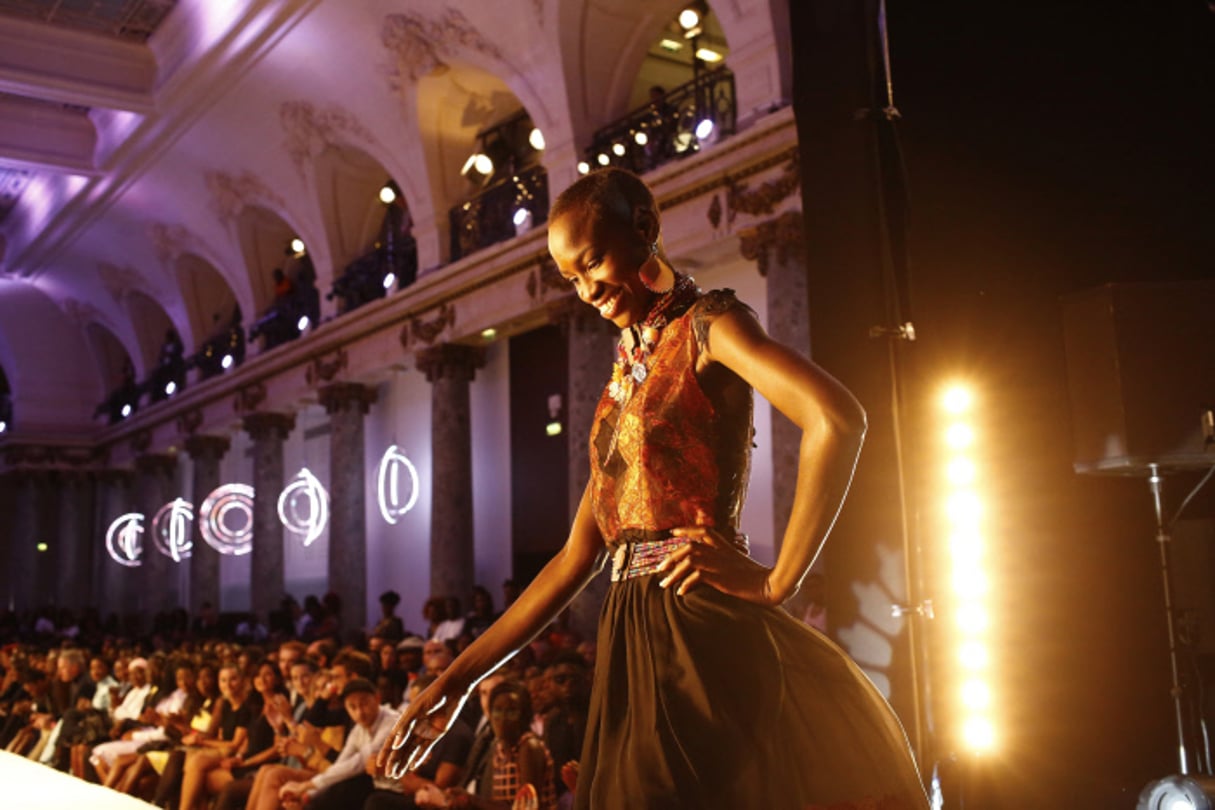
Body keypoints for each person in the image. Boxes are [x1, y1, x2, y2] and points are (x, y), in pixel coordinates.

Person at [380, 168, 927, 808]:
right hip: (630, 635)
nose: (587, 290)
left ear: (643, 227)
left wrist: (779, 581)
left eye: (593, 263)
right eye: (571, 278)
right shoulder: (622, 374)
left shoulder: (710, 324)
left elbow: (836, 419)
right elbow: (572, 560)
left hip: (694, 624)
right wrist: (456, 680)